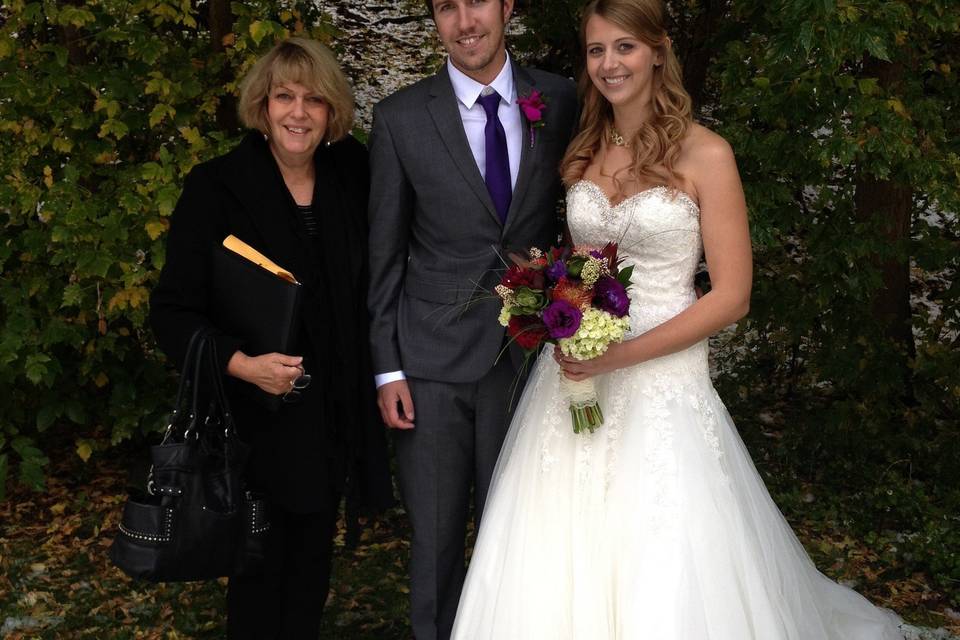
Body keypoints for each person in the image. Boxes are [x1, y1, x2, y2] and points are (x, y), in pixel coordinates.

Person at [450, 0, 907, 638]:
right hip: (577, 381)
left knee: (662, 551)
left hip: (663, 384)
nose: (609, 64)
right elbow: (584, 271)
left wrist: (621, 355)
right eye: (595, 50)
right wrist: (549, 296)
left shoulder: (706, 154)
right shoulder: (582, 151)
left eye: (624, 47)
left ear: (658, 51)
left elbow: (732, 296)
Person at [149, 37, 391, 639]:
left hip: (332, 414)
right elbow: (172, 311)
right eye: (284, 96)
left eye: (313, 99)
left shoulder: (352, 173)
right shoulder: (216, 186)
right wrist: (242, 365)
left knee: (310, 570)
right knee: (258, 578)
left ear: (332, 110)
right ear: (262, 105)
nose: (298, 113)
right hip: (253, 421)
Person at [366, 0, 578, 637]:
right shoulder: (401, 118)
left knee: (514, 535)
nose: (465, 21)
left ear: (508, 6)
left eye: (477, 1)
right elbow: (384, 253)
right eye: (446, 7)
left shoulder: (562, 99)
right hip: (429, 363)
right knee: (433, 543)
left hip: (530, 358)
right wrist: (387, 368)